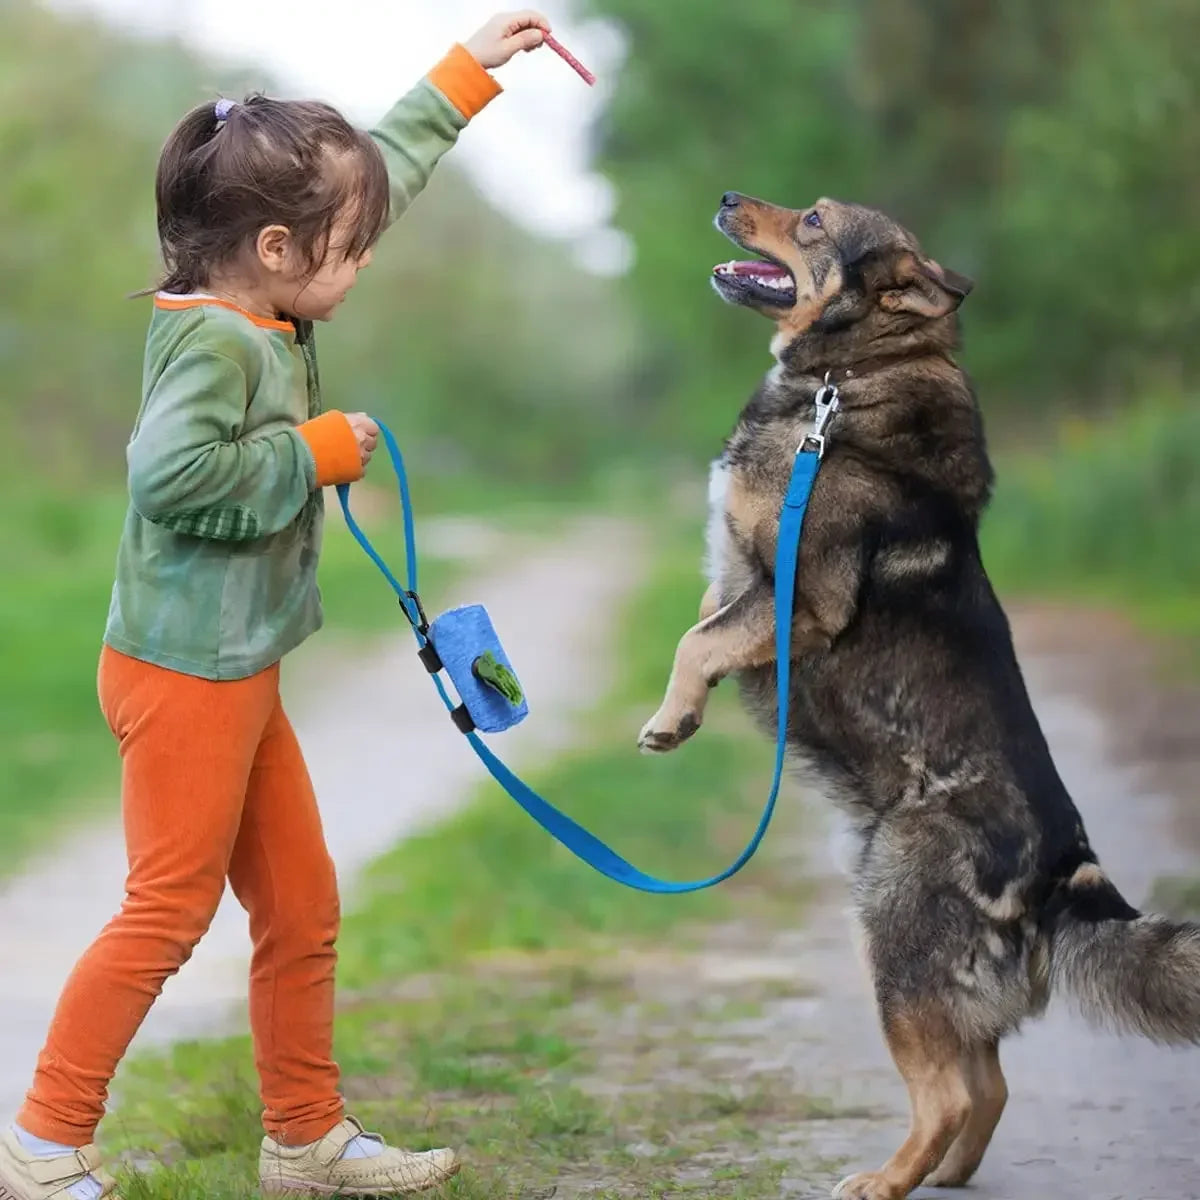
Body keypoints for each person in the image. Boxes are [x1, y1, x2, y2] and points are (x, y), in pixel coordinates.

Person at [0, 12, 551, 1198]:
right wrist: (314, 453)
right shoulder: (216, 348)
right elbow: (172, 479)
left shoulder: (267, 298)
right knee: (167, 910)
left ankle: (305, 1138)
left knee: (300, 903)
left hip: (236, 667)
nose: (365, 260)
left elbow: (375, 172)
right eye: (350, 250)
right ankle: (42, 1143)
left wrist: (466, 77)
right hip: (184, 675)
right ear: (277, 249)